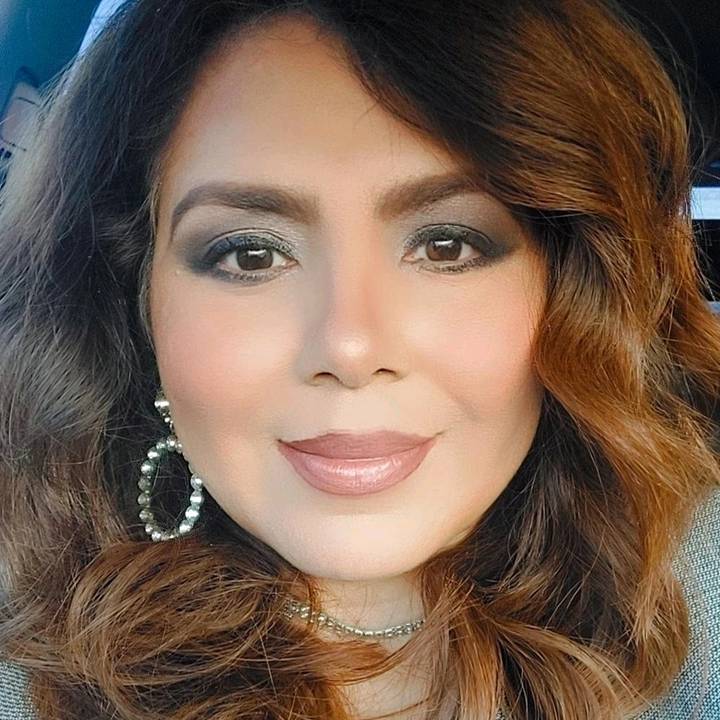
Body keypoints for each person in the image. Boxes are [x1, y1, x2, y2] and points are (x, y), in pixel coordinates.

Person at [1, 0, 719, 718]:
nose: (349, 348)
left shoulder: (699, 591)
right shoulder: (24, 671)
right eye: (251, 255)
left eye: (446, 245)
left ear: (574, 289)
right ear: (136, 302)